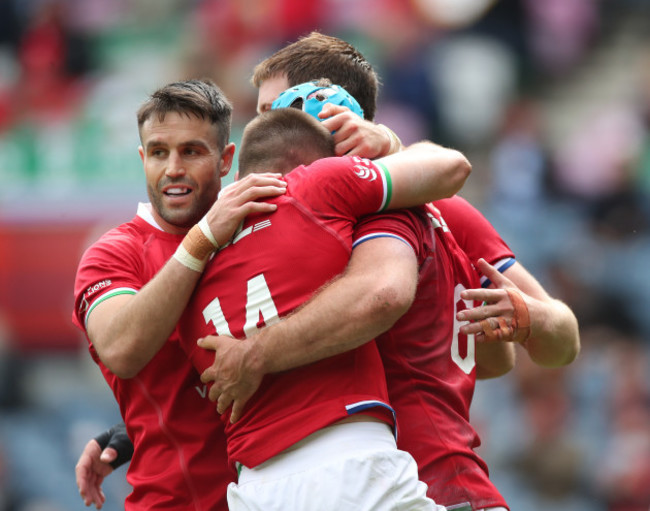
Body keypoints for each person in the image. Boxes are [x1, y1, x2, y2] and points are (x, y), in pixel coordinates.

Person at [77, 31, 579, 509]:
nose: (266, 131)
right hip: (352, 476)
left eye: (275, 112)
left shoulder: (411, 207)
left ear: (330, 113)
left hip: (419, 479)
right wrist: (132, 436)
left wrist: (531, 318)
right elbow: (488, 359)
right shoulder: (276, 224)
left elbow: (543, 339)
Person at [174, 105, 472, 510]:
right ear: (308, 164)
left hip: (254, 489)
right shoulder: (312, 183)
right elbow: (452, 167)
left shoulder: (184, 263)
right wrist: (387, 142)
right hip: (350, 464)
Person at [72, 78, 290, 510]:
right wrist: (201, 240)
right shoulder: (114, 254)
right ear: (142, 159)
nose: (172, 168)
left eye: (191, 151)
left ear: (226, 159)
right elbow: (121, 347)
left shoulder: (260, 226)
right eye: (158, 152)